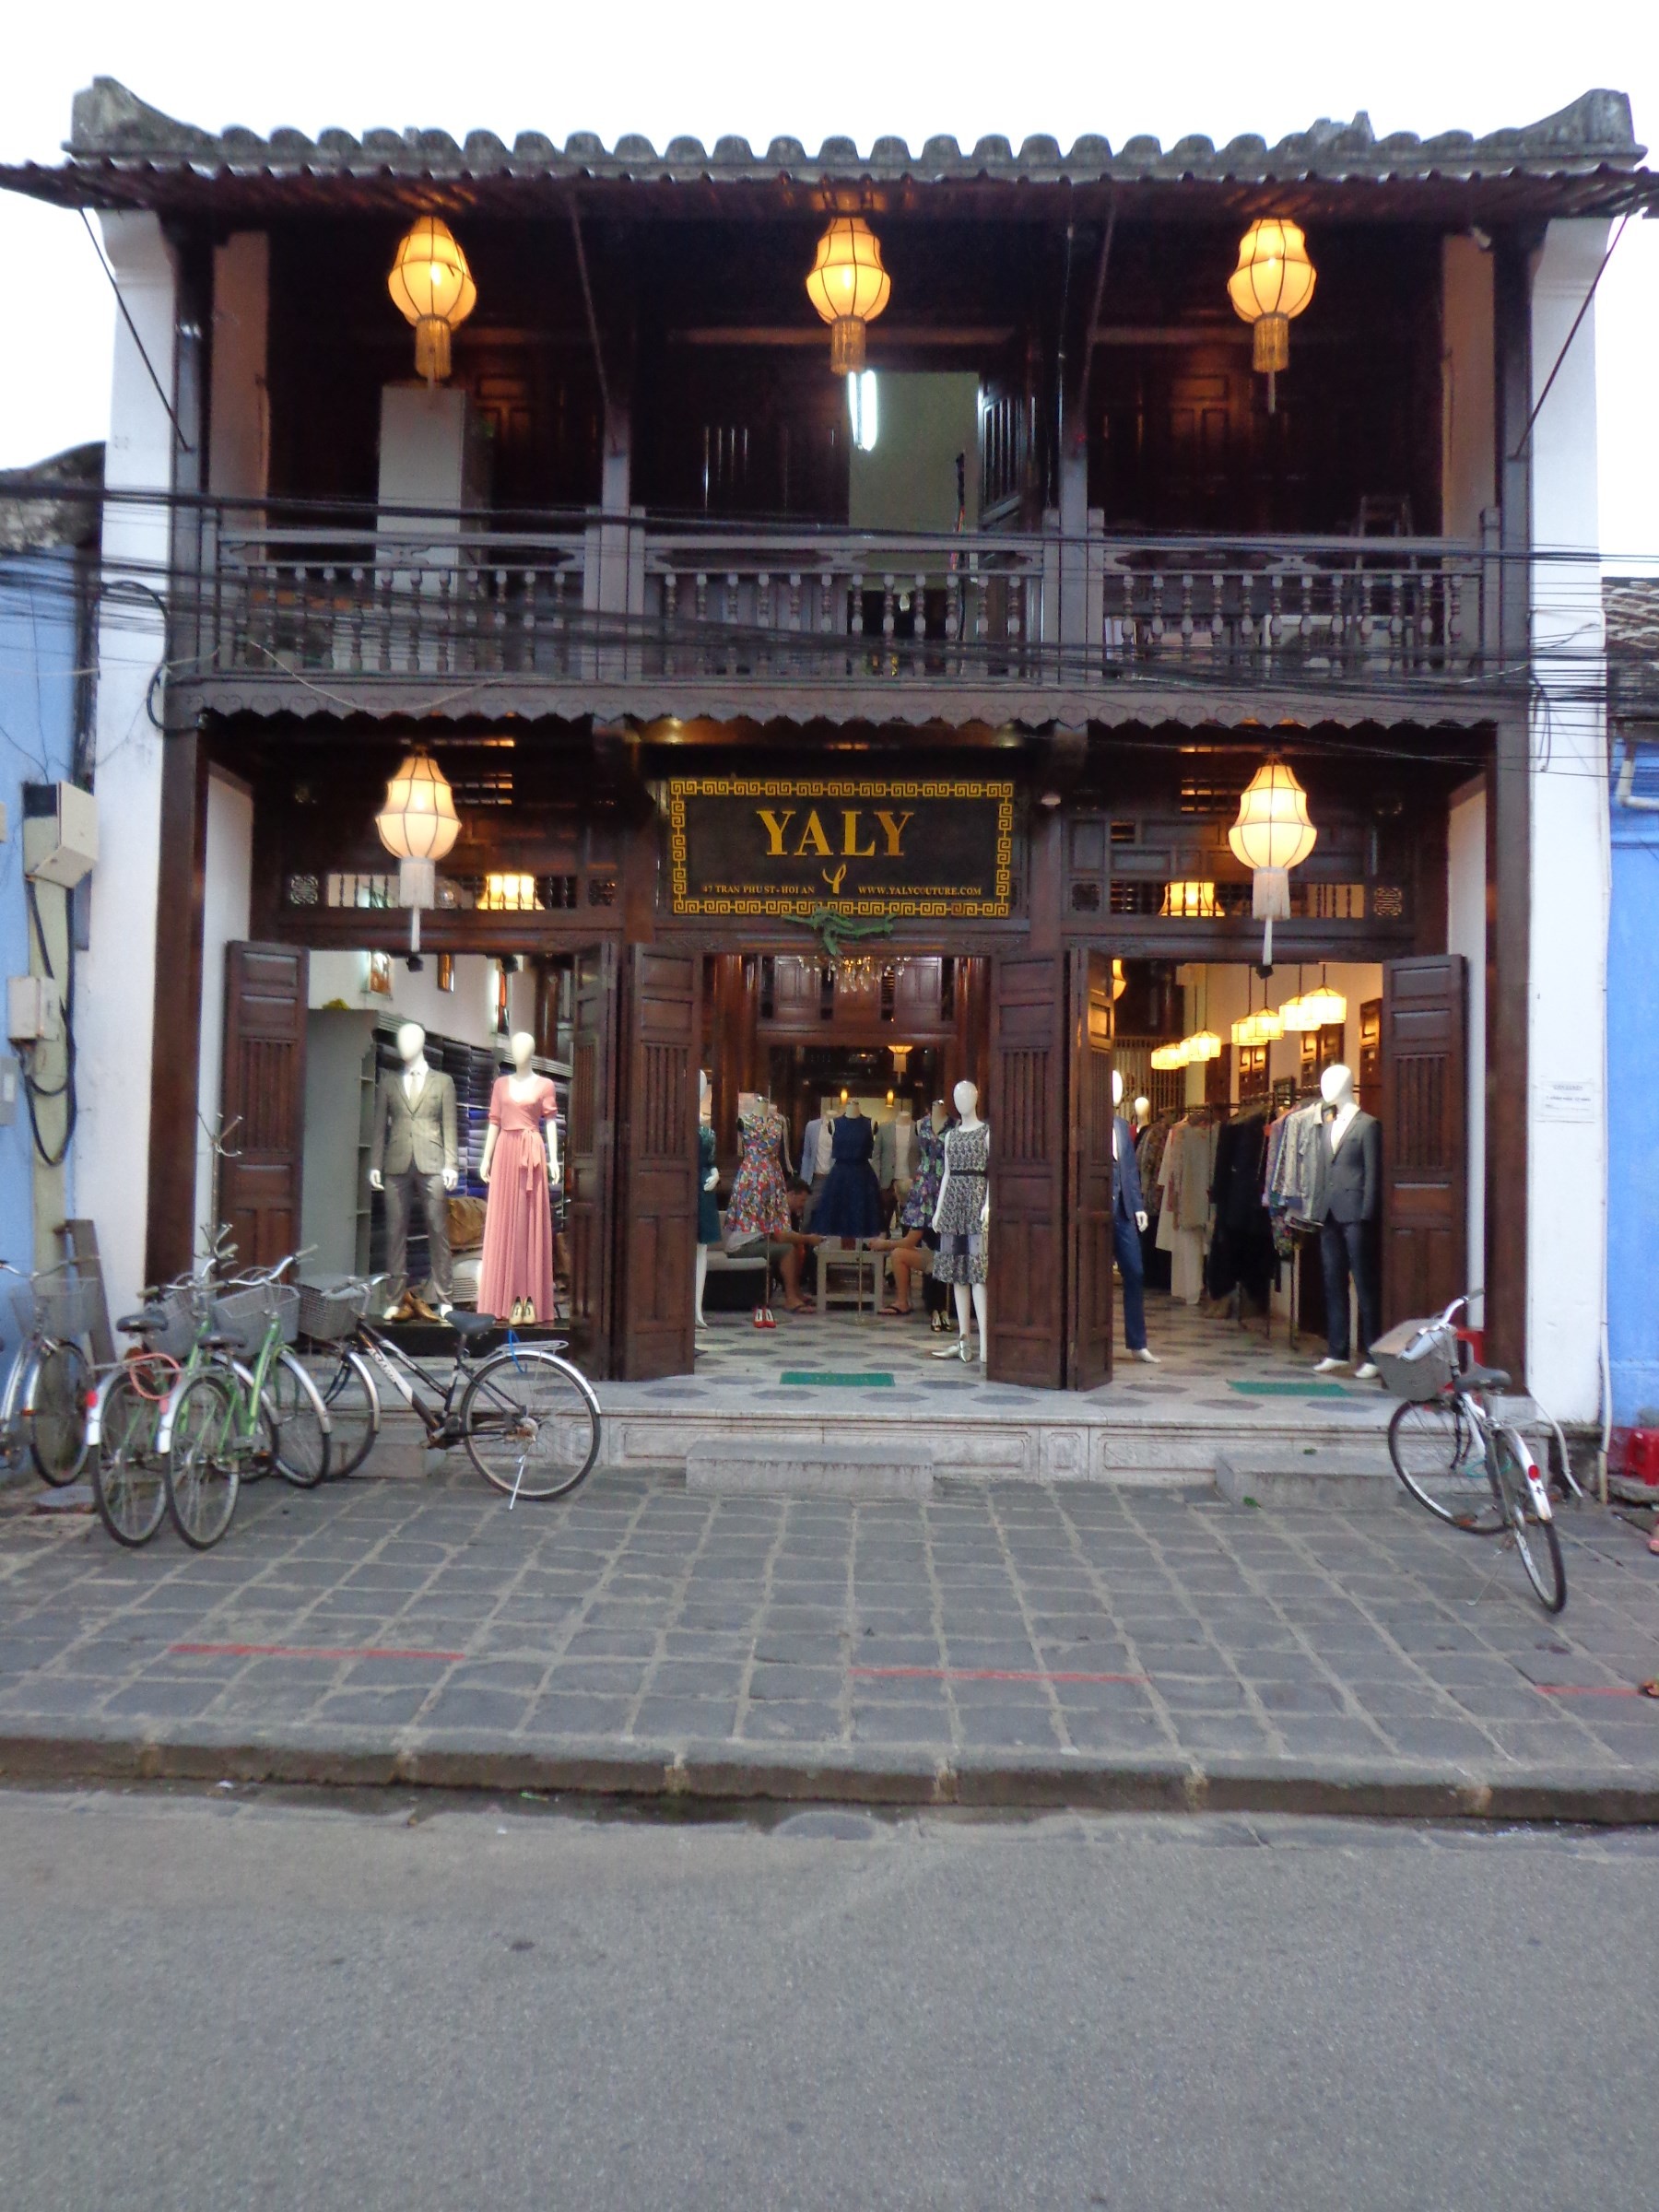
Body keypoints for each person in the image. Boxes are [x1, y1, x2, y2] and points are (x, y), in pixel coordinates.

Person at [775, 1177, 823, 1312]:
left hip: (767, 1241)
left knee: (796, 1246)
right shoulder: (778, 1206)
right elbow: (781, 1236)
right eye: (802, 1200)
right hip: (748, 1243)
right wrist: (808, 1239)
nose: (803, 1205)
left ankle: (796, 1293)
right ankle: (790, 1298)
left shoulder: (789, 1212)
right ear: (791, 1194)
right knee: (788, 1249)